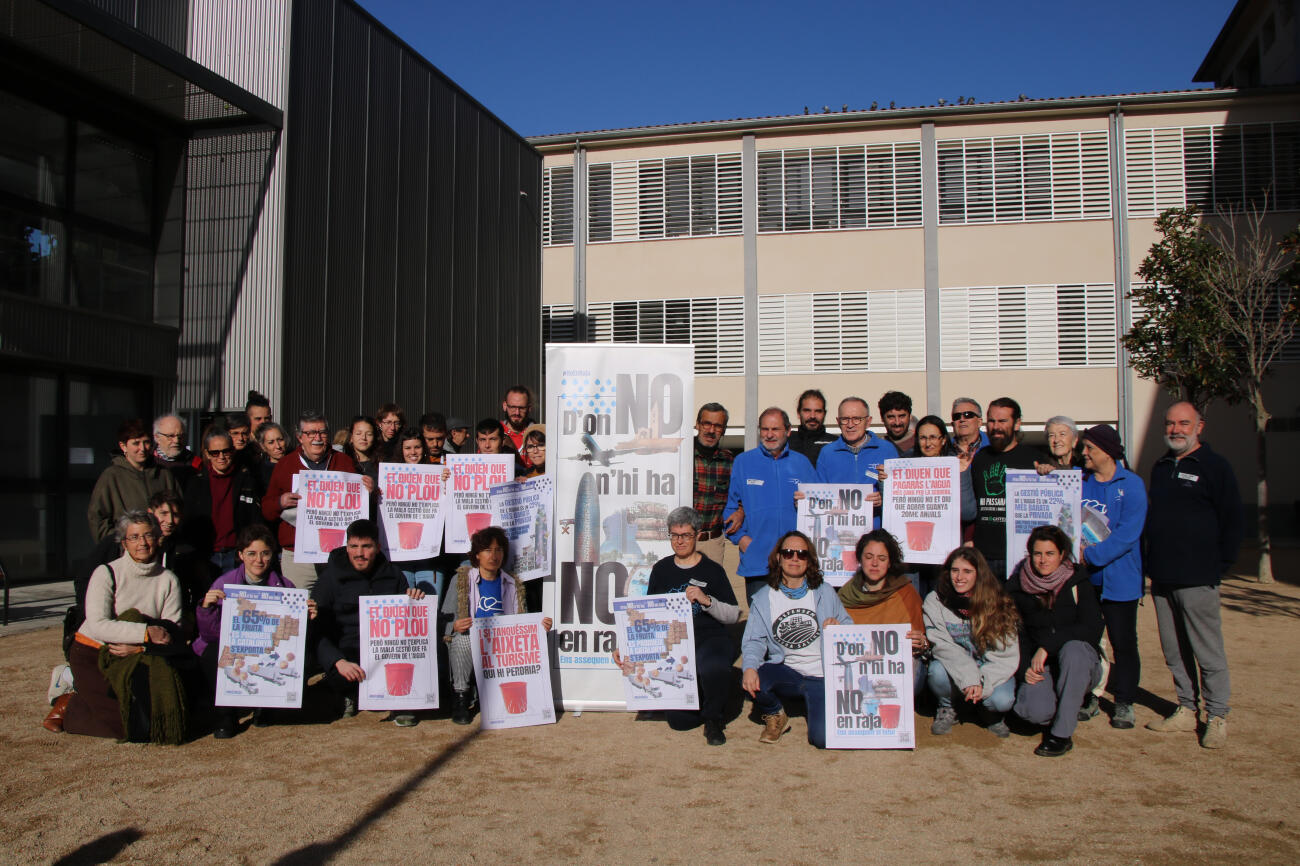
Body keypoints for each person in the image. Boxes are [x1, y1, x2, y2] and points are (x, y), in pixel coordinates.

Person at [1143, 402, 1243, 749]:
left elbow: (1232, 520)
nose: (1176, 429)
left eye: (1184, 423)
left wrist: (1219, 566)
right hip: (1163, 578)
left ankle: (1216, 716)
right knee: (1174, 651)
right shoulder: (1160, 466)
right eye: (1170, 424)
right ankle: (1187, 708)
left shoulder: (1215, 467)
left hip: (1198, 578)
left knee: (1207, 652)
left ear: (1200, 426)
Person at [615, 507, 739, 745]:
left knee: (713, 667)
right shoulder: (661, 570)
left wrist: (707, 601)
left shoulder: (712, 570)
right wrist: (627, 646)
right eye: (675, 535)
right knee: (679, 722)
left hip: (709, 637)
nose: (680, 541)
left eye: (686, 535)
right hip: (675, 643)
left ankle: (714, 719)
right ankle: (700, 698)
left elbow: (733, 614)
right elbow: (646, 615)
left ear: (697, 535)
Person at [61, 511, 188, 743]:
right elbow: (99, 625)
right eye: (134, 537)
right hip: (93, 652)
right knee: (127, 725)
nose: (142, 543)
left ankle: (90, 700)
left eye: (148, 535)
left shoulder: (169, 579)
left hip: (139, 655)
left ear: (158, 538)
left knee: (153, 718)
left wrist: (141, 648)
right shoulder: (106, 572)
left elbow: (172, 631)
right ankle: (69, 706)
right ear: (124, 543)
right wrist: (144, 634)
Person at [740, 530, 849, 748]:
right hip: (788, 672)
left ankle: (818, 704)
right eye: (788, 553)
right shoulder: (763, 598)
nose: (795, 558)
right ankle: (776, 713)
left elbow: (849, 625)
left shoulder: (825, 592)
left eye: (802, 554)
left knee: (822, 739)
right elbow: (754, 640)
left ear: (809, 560)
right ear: (778, 558)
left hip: (821, 675)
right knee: (757, 675)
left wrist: (839, 629)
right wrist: (749, 667)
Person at [311, 519, 424, 724]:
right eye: (354, 546)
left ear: (378, 547)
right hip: (347, 651)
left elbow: (408, 624)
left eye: (366, 547)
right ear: (347, 547)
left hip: (384, 651)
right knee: (339, 674)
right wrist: (337, 661)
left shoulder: (393, 575)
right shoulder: (331, 577)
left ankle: (399, 702)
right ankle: (349, 693)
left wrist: (413, 600)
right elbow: (318, 628)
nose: (359, 553)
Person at [194, 524, 302, 739]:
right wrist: (206, 608)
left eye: (265, 553)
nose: (258, 560)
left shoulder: (286, 586)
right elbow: (209, 635)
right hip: (233, 645)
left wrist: (307, 615)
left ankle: (266, 706)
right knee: (212, 652)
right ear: (241, 555)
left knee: (292, 655)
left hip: (268, 646)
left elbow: (293, 635)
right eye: (251, 553)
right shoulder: (224, 584)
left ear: (273, 556)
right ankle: (226, 714)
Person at [1008, 526, 1104, 757]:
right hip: (1042, 665)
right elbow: (1014, 633)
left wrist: (1047, 646)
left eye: (1049, 553)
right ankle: (1066, 701)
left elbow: (1092, 628)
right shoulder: (1017, 585)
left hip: (1079, 661)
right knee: (1033, 712)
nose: (1043, 560)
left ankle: (1061, 734)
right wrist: (1023, 670)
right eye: (1037, 553)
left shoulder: (1077, 581)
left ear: (1062, 554)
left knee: (1074, 650)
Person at [442, 526, 551, 725]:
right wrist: (455, 626)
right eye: (487, 550)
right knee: (463, 639)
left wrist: (539, 626)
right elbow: (445, 620)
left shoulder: (513, 584)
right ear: (477, 555)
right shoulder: (461, 580)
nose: (494, 555)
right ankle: (461, 697)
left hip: (501, 646)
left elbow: (522, 623)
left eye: (499, 550)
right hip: (472, 644)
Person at [1077, 423, 1147, 730]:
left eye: (1089, 448)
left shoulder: (1131, 485)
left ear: (1106, 451)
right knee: (1089, 641)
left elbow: (1127, 536)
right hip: (1088, 581)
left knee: (1123, 643)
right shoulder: (1082, 483)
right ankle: (1091, 695)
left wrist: (1090, 556)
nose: (1084, 453)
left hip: (1120, 580)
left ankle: (1124, 702)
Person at [262, 411, 366, 593]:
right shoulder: (285, 465)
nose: (317, 438)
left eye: (322, 432)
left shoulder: (344, 462)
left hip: (338, 554)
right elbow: (267, 510)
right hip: (298, 556)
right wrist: (280, 501)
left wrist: (368, 489)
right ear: (299, 437)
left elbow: (361, 505)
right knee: (299, 612)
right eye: (310, 433)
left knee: (337, 609)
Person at [924, 547, 1020, 738]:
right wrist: (969, 677)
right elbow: (942, 645)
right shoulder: (935, 600)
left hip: (990, 670)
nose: (959, 577)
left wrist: (981, 681)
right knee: (936, 672)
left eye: (967, 571)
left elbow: (1006, 654)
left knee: (1002, 700)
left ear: (979, 574)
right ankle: (947, 707)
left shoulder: (997, 601)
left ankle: (989, 713)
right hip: (956, 668)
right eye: (954, 570)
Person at [724, 407, 817, 602]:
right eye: (764, 429)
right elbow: (731, 508)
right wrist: (742, 541)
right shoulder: (743, 462)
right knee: (761, 624)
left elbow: (819, 506)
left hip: (795, 562)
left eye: (775, 429)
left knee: (796, 621)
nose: (769, 434)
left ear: (788, 431)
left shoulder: (802, 464)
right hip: (758, 562)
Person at [837, 529, 928, 693]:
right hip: (859, 669)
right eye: (869, 557)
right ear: (860, 559)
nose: (874, 564)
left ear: (890, 562)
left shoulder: (906, 593)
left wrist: (921, 642)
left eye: (882, 558)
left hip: (895, 670)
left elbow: (920, 641)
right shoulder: (845, 595)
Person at [969, 397, 1042, 578]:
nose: (996, 426)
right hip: (984, 555)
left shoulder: (1033, 459)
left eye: (1002, 421)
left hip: (1021, 555)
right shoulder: (980, 458)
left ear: (1017, 424)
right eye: (992, 421)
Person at [183, 427, 264, 576]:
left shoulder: (246, 480)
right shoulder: (196, 482)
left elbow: (255, 520)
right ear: (207, 453)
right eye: (215, 452)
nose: (221, 456)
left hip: (236, 555)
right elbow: (189, 521)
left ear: (233, 451)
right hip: (206, 555)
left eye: (226, 451)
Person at [87, 417, 180, 542]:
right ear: (123, 446)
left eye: (146, 442)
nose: (142, 448)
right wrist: (118, 543)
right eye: (136, 443)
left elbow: (178, 509)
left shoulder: (164, 474)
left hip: (161, 551)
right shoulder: (111, 476)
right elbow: (97, 517)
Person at [814, 396, 899, 529]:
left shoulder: (887, 450)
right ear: (838, 421)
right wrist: (804, 500)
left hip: (876, 534)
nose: (850, 424)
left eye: (857, 419)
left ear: (868, 421)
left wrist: (883, 499)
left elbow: (901, 495)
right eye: (845, 419)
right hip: (838, 533)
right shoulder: (827, 453)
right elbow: (818, 496)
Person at [693, 403, 744, 610]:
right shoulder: (681, 456)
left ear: (724, 430)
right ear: (697, 424)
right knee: (677, 593)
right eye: (707, 423)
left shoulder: (730, 461)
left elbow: (743, 495)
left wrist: (741, 511)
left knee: (709, 598)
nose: (711, 430)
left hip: (712, 542)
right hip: (681, 540)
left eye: (718, 426)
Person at [787, 389, 836, 463]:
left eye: (818, 411)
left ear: (824, 414)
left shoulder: (835, 443)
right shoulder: (786, 442)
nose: (812, 416)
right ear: (798, 413)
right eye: (807, 410)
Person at [152, 414, 200, 488]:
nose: (176, 441)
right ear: (157, 437)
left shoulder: (195, 463)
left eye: (180, 436)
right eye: (170, 436)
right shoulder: (147, 461)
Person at [501, 385, 537, 468]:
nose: (517, 413)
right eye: (513, 407)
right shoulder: (495, 433)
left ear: (529, 408)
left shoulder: (539, 433)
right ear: (505, 406)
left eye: (521, 408)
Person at [878, 391, 917, 455]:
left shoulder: (922, 444)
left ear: (910, 416)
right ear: (882, 418)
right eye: (891, 417)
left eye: (902, 416)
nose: (897, 423)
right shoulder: (876, 447)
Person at [343, 415, 381, 480]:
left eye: (369, 434)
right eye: (358, 433)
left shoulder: (381, 464)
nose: (363, 438)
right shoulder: (342, 462)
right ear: (351, 437)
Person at [255, 421, 289, 491]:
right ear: (263, 446)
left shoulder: (295, 463)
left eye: (280, 440)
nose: (278, 446)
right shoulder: (259, 472)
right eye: (271, 442)